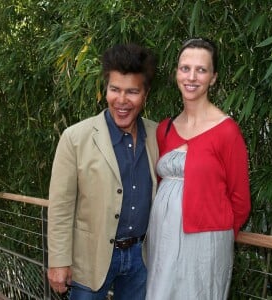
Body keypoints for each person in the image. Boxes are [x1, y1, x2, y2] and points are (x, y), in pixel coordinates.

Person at [47, 43, 158, 300]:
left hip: (141, 257)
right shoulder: (75, 138)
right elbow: (61, 206)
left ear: (145, 94)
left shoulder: (157, 135)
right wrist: (58, 260)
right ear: (105, 89)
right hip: (90, 256)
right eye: (114, 89)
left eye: (132, 91)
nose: (121, 100)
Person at [145, 37, 251, 300]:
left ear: (213, 78)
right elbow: (160, 183)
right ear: (176, 73)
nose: (191, 77)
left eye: (201, 70)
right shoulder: (164, 129)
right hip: (163, 238)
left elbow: (240, 200)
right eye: (185, 68)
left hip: (206, 243)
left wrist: (218, 237)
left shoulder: (227, 131)